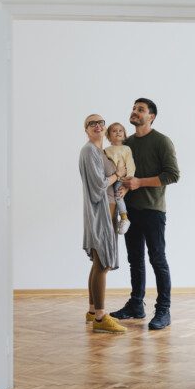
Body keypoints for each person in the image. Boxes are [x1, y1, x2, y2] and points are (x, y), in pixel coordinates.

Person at [111, 98, 180, 330]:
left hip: (153, 211)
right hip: (130, 213)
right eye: (133, 108)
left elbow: (172, 175)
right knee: (135, 261)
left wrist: (140, 182)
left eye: (140, 110)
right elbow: (123, 175)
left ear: (151, 116)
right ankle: (136, 305)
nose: (134, 112)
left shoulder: (162, 141)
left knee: (157, 260)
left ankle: (163, 310)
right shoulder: (126, 143)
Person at [79, 113, 127, 334]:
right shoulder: (89, 151)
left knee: (99, 263)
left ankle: (91, 311)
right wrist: (118, 175)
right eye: (92, 123)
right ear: (86, 129)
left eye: (100, 123)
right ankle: (100, 317)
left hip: (108, 214)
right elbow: (99, 186)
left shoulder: (102, 152)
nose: (97, 126)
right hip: (100, 215)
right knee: (103, 264)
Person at [104, 122, 136, 235]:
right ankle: (115, 219)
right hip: (110, 179)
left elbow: (130, 164)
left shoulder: (126, 149)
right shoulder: (106, 150)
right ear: (108, 136)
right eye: (114, 131)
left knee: (118, 196)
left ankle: (124, 218)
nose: (118, 132)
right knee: (109, 199)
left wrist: (128, 180)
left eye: (120, 130)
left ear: (124, 134)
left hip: (121, 179)